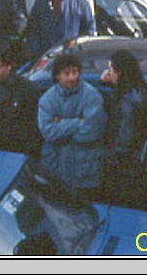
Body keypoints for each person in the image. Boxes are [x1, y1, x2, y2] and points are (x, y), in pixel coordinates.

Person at [37, 52, 107, 194]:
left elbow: (91, 131)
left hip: (84, 171)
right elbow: (48, 132)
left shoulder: (92, 96)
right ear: (57, 75)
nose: (71, 77)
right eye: (66, 73)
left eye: (74, 72)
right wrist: (78, 122)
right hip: (55, 170)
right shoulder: (47, 100)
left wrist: (61, 123)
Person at [100, 50, 147, 207]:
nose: (107, 72)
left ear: (120, 72)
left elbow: (122, 141)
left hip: (123, 170)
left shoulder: (127, 102)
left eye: (110, 69)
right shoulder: (140, 88)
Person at [23, 0, 95, 60]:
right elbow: (32, 30)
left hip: (71, 57)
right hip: (46, 57)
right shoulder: (41, 2)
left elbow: (89, 31)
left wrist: (77, 45)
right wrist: (38, 52)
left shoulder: (80, 3)